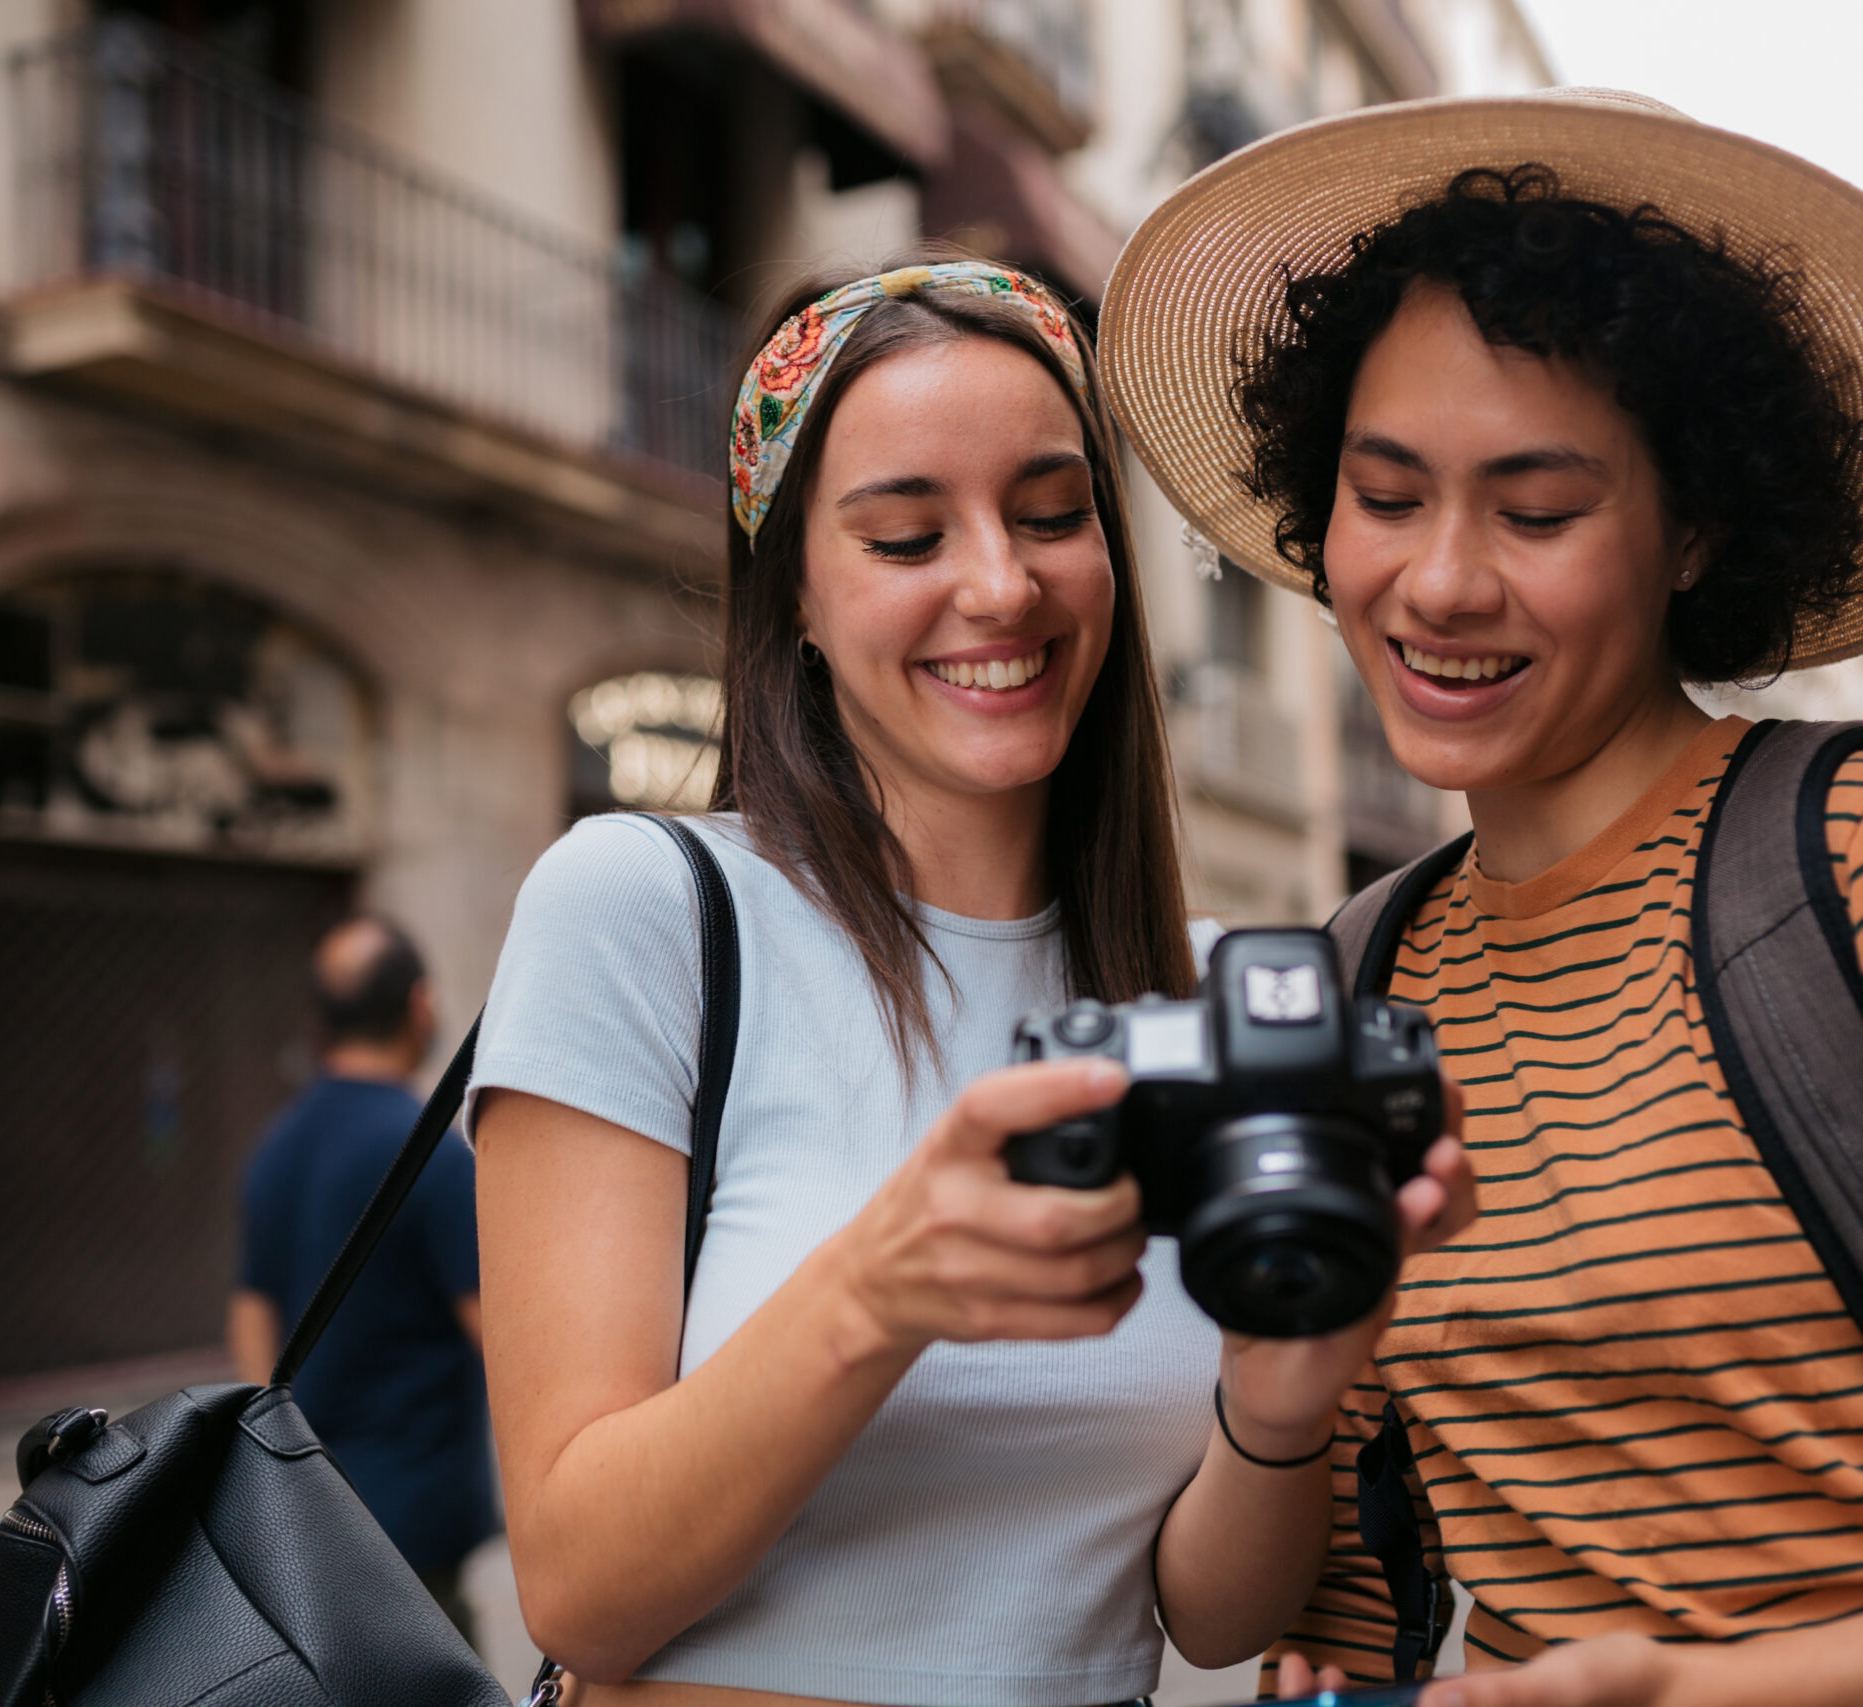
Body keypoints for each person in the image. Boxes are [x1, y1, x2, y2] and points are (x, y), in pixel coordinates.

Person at [1096, 90, 1863, 1707]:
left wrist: (1708, 1690)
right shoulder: (1352, 976)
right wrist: (1282, 1403)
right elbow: (1270, 1621)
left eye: (1537, 510)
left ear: (1696, 531)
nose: (1440, 580)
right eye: (1386, 497)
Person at [464, 255, 1476, 1707]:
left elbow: (1205, 1616)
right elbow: (578, 1588)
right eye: (904, 536)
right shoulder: (642, 907)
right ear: (796, 597)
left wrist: (1285, 1392)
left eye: (1055, 514)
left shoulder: (1207, 994)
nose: (1002, 584)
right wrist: (881, 1287)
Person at [230, 914, 499, 1644]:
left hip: (304, 1521)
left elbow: (251, 1315)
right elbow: (501, 1341)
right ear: (421, 1005)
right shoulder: (435, 1160)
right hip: (408, 1541)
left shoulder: (275, 1146)